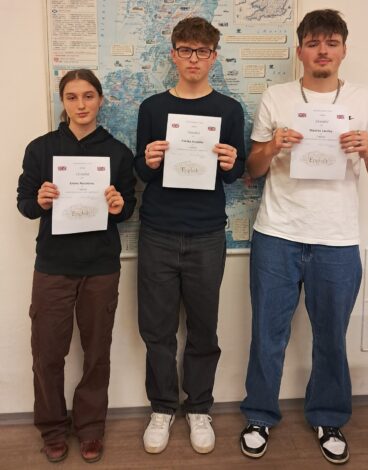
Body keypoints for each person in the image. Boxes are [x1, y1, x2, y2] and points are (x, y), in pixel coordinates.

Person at [239, 9, 368, 465]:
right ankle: (259, 415)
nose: (322, 51)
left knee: (331, 337)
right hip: (277, 234)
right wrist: (273, 146)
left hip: (337, 240)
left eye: (331, 42)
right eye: (313, 43)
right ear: (300, 50)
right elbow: (252, 168)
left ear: (344, 49)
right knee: (267, 334)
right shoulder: (277, 96)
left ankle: (328, 417)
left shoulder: (364, 98)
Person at [134, 16, 245, 455]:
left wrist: (231, 161)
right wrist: (148, 160)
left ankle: (199, 407)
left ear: (214, 57)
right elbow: (141, 171)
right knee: (157, 329)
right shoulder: (152, 108)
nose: (193, 59)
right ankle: (162, 407)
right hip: (158, 232)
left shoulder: (229, 109)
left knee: (203, 328)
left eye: (201, 51)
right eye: (185, 50)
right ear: (173, 55)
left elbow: (234, 174)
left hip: (206, 234)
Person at [17, 69, 136, 463]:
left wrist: (119, 206)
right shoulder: (41, 149)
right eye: (72, 97)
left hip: (101, 266)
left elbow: (127, 207)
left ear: (100, 99)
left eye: (88, 96)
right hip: (53, 266)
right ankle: (52, 428)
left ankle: (90, 428)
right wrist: (40, 201)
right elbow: (25, 204)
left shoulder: (118, 152)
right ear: (63, 102)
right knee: (47, 353)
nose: (81, 105)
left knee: (97, 352)